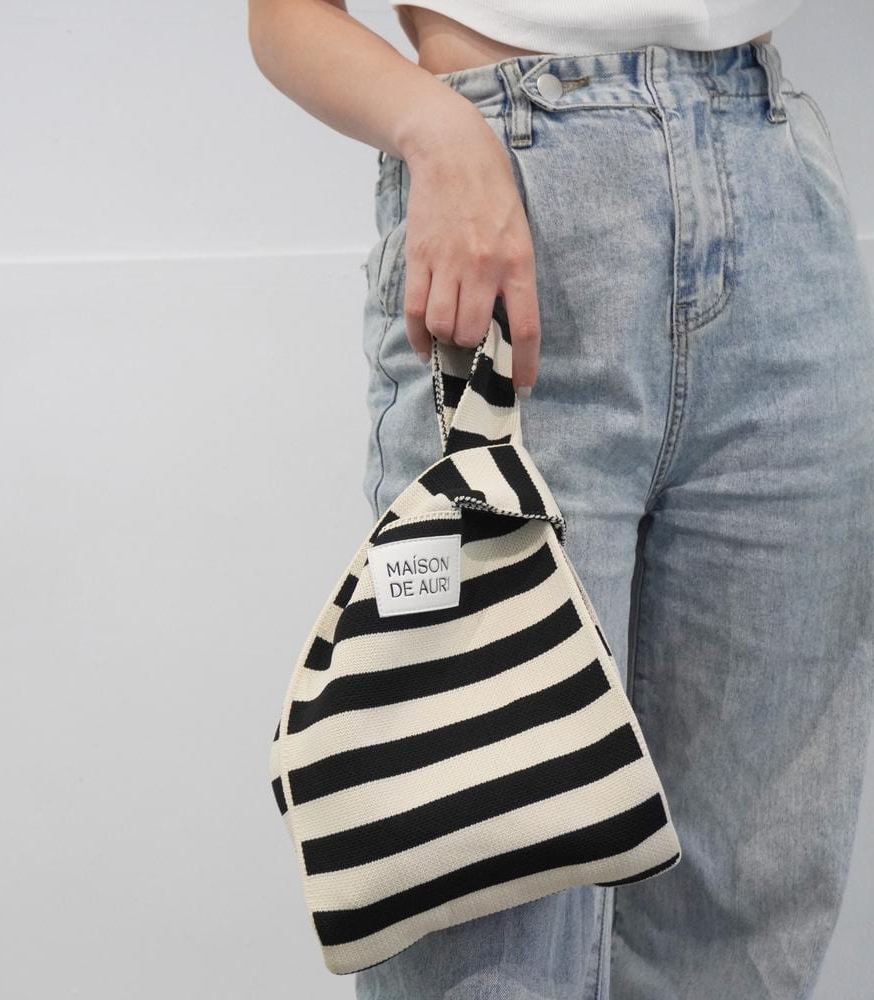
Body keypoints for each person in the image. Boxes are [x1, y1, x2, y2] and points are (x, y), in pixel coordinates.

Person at [248, 1, 874, 997]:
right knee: (483, 895)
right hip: (512, 200)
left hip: (775, 196)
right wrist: (438, 132)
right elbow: (284, 16)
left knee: (744, 910)